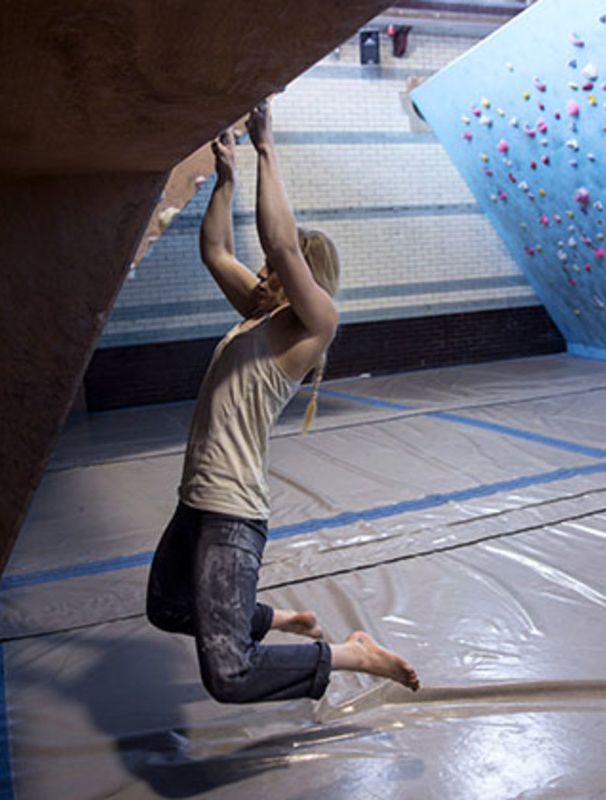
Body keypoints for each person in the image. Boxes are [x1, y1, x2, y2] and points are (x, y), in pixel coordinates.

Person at [145, 100, 420, 704]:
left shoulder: (312, 325)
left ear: (300, 277)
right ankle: (281, 621)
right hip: (198, 500)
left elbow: (282, 243)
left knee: (231, 675)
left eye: (273, 269)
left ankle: (352, 655)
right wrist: (226, 176)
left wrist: (267, 147)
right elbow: (216, 251)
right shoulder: (259, 315)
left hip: (230, 512)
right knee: (166, 607)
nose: (262, 271)